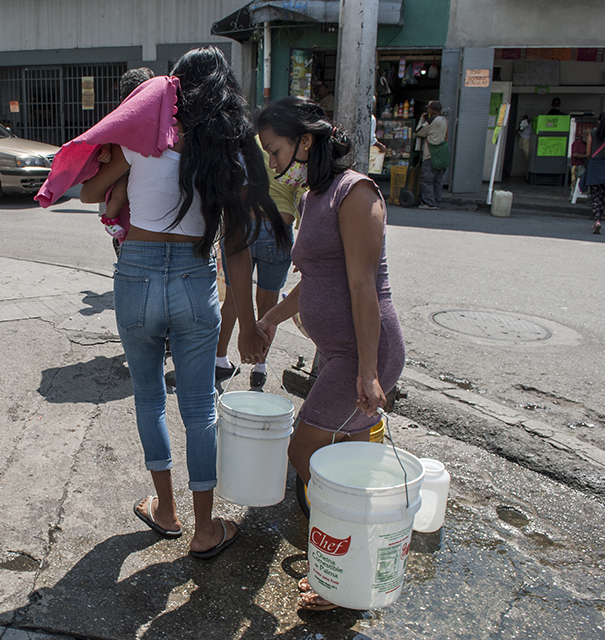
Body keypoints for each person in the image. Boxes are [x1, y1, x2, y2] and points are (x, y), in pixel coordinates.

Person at [79, 47, 290, 559]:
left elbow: (88, 193)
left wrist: (130, 173)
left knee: (149, 398)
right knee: (199, 411)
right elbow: (236, 250)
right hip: (196, 282)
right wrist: (248, 327)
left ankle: (165, 511)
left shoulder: (140, 140)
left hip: (136, 275)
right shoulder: (228, 155)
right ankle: (203, 529)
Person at [253, 96, 406, 610]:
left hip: (364, 353)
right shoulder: (313, 196)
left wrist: (367, 371)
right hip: (342, 353)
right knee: (347, 468)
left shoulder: (355, 192)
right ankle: (347, 571)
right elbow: (315, 278)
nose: (273, 164)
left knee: (305, 452)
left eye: (276, 152)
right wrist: (272, 318)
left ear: (306, 141)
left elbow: (363, 286)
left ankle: (340, 575)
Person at [215, 143, 299, 388]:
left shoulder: (252, 142)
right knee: (268, 304)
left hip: (246, 224)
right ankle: (260, 367)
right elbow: (304, 195)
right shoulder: (295, 148)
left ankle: (219, 360)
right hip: (279, 229)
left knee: (232, 299)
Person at [97, 68, 157, 250]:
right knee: (120, 196)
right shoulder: (121, 118)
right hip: (126, 174)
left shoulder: (159, 120)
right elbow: (107, 136)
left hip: (140, 227)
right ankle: (110, 221)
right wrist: (106, 149)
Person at [415, 101, 447, 210]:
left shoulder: (431, 121)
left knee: (427, 180)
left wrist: (421, 120)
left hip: (431, 155)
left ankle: (429, 203)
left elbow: (418, 132)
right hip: (441, 155)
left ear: (431, 111)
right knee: (437, 181)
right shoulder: (444, 120)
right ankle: (436, 201)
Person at [583, 113, 605, 234]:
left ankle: (597, 221)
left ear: (599, 121)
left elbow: (588, 153)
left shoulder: (592, 134)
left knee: (596, 196)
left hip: (595, 166)